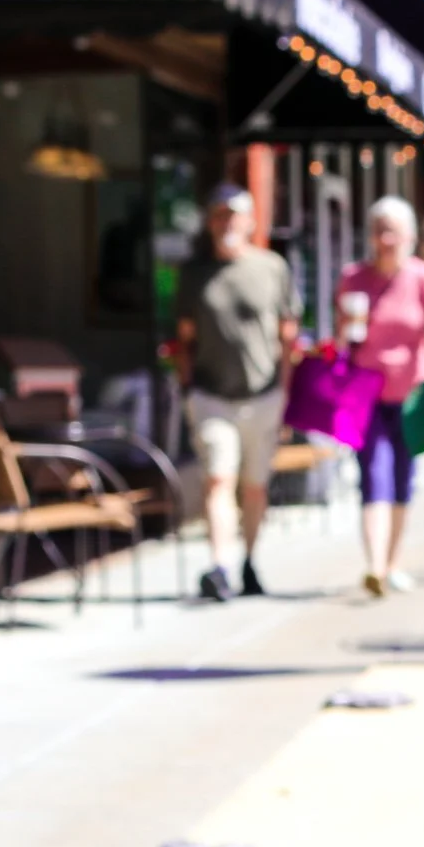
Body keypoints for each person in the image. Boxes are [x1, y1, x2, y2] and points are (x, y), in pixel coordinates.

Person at [176, 184, 299, 601]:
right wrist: (187, 389)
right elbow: (184, 338)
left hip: (263, 394)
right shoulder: (194, 274)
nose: (226, 223)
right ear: (210, 222)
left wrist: (285, 392)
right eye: (219, 215)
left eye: (234, 215)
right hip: (212, 395)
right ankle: (220, 565)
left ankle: (249, 560)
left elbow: (288, 337)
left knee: (254, 486)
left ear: (249, 221)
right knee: (217, 480)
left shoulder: (271, 268)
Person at [337, 195, 424, 597]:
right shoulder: (354, 279)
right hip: (366, 395)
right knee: (373, 476)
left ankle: (391, 563)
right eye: (380, 230)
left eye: (394, 230)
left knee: (403, 478)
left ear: (410, 236)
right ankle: (374, 567)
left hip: (413, 396)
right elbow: (343, 339)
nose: (386, 238)